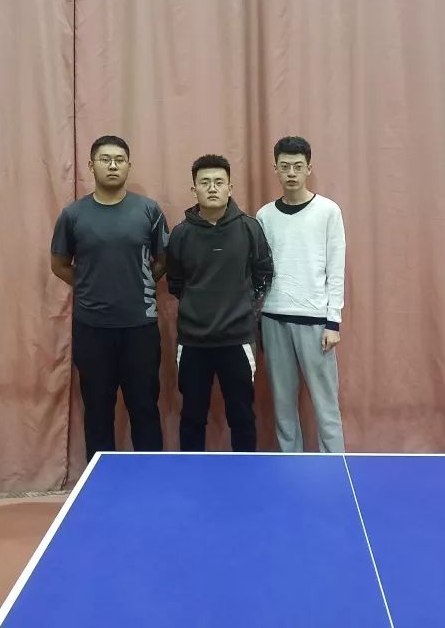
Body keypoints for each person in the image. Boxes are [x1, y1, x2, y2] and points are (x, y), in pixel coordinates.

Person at [50, 135, 168, 460]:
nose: (113, 165)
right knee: (97, 410)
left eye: (119, 160)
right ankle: (101, 482)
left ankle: (150, 477)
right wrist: (90, 285)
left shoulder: (149, 211)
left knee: (144, 407)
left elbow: (163, 260)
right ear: (92, 166)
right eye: (105, 159)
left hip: (140, 327)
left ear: (129, 165)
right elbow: (59, 265)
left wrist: (140, 284)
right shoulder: (73, 215)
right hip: (92, 328)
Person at [166, 154, 273, 452]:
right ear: (194, 190)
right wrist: (197, 306)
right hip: (193, 341)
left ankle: (245, 473)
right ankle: (192, 473)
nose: (212, 188)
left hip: (237, 339)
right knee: (192, 417)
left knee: (242, 416)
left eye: (218, 182)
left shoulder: (250, 228)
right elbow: (175, 282)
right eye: (205, 183)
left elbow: (263, 272)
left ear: (230, 187)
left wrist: (243, 307)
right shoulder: (181, 234)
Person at [256, 136, 347, 453]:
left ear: (309, 168)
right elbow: (261, 270)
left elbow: (336, 269)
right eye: (285, 166)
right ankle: (290, 465)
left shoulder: (328, 211)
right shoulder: (264, 215)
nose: (291, 173)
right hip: (273, 318)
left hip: (315, 322)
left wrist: (333, 322)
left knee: (326, 406)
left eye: (298, 166)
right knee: (282, 406)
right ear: (276, 169)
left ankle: (334, 466)